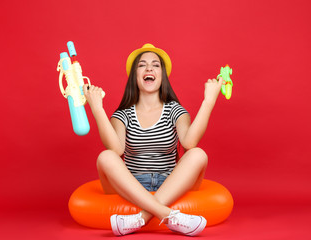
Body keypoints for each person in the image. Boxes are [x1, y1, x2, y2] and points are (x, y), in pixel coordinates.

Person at [83, 43, 223, 236]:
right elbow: (116, 149)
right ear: (135, 76)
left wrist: (209, 101)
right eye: (142, 65)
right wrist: (97, 109)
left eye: (155, 65)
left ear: (162, 75)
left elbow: (189, 143)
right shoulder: (122, 115)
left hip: (170, 182)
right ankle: (169, 215)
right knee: (105, 157)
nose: (149, 68)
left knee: (198, 154)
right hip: (132, 184)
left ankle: (141, 218)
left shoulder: (175, 111)